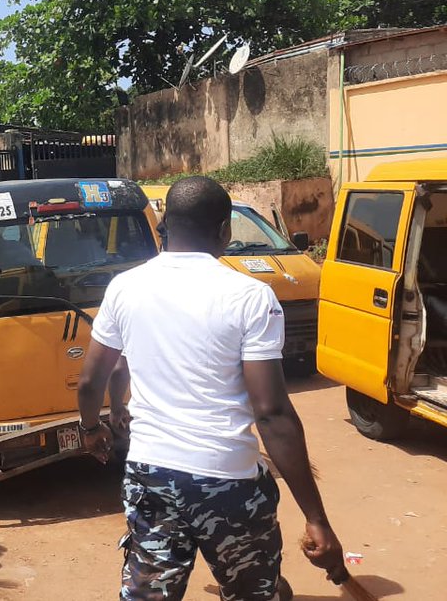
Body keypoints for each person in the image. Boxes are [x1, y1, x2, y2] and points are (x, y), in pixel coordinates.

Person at [76, 176, 346, 601]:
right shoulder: (250, 297)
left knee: (149, 594)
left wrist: (92, 428)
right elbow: (271, 412)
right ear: (225, 230)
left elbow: (94, 378)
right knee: (255, 592)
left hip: (151, 474)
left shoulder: (124, 288)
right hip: (228, 480)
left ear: (166, 224)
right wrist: (317, 518)